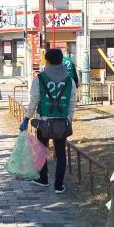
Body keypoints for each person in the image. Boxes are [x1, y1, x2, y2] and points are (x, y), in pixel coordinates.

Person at [19, 48, 76, 194]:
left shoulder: (40, 78)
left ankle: (43, 179)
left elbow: (34, 100)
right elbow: (72, 102)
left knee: (41, 151)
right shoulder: (69, 80)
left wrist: (26, 118)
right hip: (62, 123)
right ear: (61, 61)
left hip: (43, 122)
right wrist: (69, 119)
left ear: (48, 61)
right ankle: (58, 186)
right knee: (61, 154)